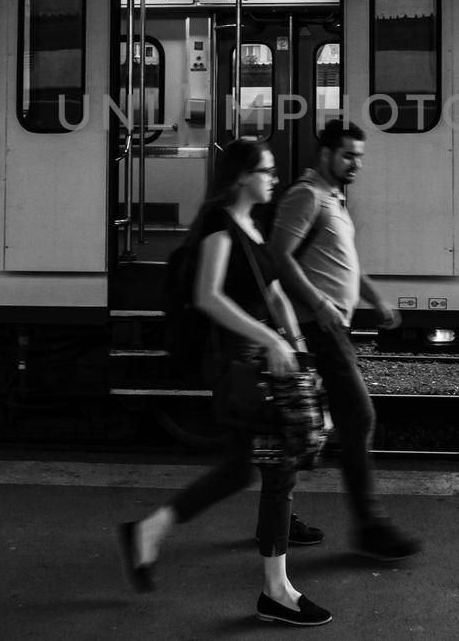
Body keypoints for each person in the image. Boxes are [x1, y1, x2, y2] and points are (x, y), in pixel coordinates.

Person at [119, 137, 332, 628]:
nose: (274, 178)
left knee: (248, 470)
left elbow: (273, 293)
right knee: (274, 471)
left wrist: (294, 343)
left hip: (263, 361)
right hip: (239, 367)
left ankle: (150, 532)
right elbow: (209, 297)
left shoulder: (251, 228)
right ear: (241, 177)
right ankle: (276, 591)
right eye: (267, 170)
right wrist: (271, 341)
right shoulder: (220, 228)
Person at [268, 120, 423, 562]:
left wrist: (375, 298)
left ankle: (277, 513)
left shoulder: (334, 199)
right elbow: (278, 257)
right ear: (326, 154)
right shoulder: (306, 196)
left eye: (360, 157)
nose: (356, 164)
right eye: (349, 156)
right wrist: (318, 305)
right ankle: (370, 526)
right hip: (319, 328)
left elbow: (345, 263)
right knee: (358, 417)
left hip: (333, 325)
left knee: (299, 428)